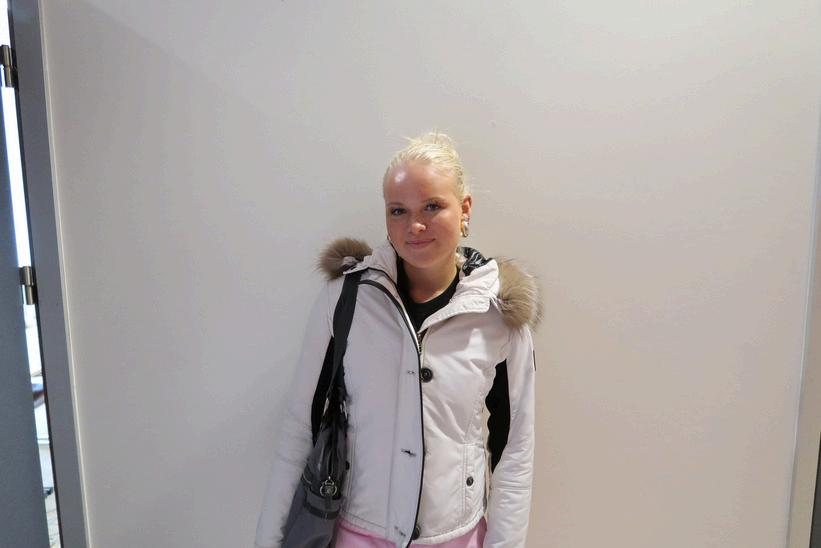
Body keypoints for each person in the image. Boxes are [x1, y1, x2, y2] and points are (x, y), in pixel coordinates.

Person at [255, 132, 541, 548]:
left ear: (465, 209)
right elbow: (301, 426)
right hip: (358, 533)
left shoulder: (498, 316)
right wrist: (269, 540)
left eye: (432, 206)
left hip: (456, 537)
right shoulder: (347, 300)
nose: (415, 226)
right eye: (398, 211)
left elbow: (515, 450)